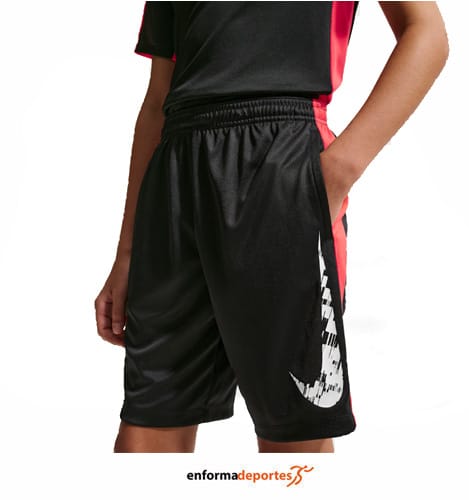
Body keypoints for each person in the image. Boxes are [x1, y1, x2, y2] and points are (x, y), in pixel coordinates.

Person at [94, 1, 448, 453]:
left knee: (294, 436)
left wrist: (339, 170)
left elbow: (426, 32)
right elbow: (157, 98)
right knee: (148, 425)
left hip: (281, 155)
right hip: (175, 172)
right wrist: (128, 252)